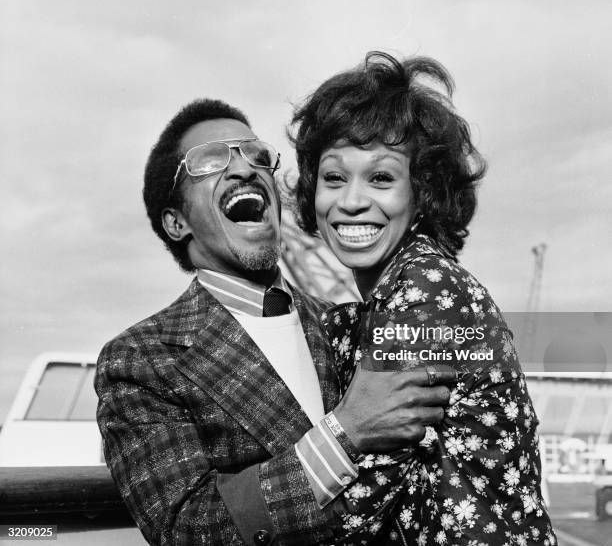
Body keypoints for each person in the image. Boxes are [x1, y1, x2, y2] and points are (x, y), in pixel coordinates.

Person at [94, 98, 455, 546]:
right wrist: (346, 433)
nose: (244, 169)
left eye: (255, 155)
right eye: (210, 161)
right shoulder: (141, 359)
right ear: (175, 222)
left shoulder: (348, 324)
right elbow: (184, 529)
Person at [289, 52, 557, 545]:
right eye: (333, 178)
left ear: (422, 193)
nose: (350, 201)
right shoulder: (399, 292)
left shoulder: (425, 288)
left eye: (381, 178)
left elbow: (365, 489)